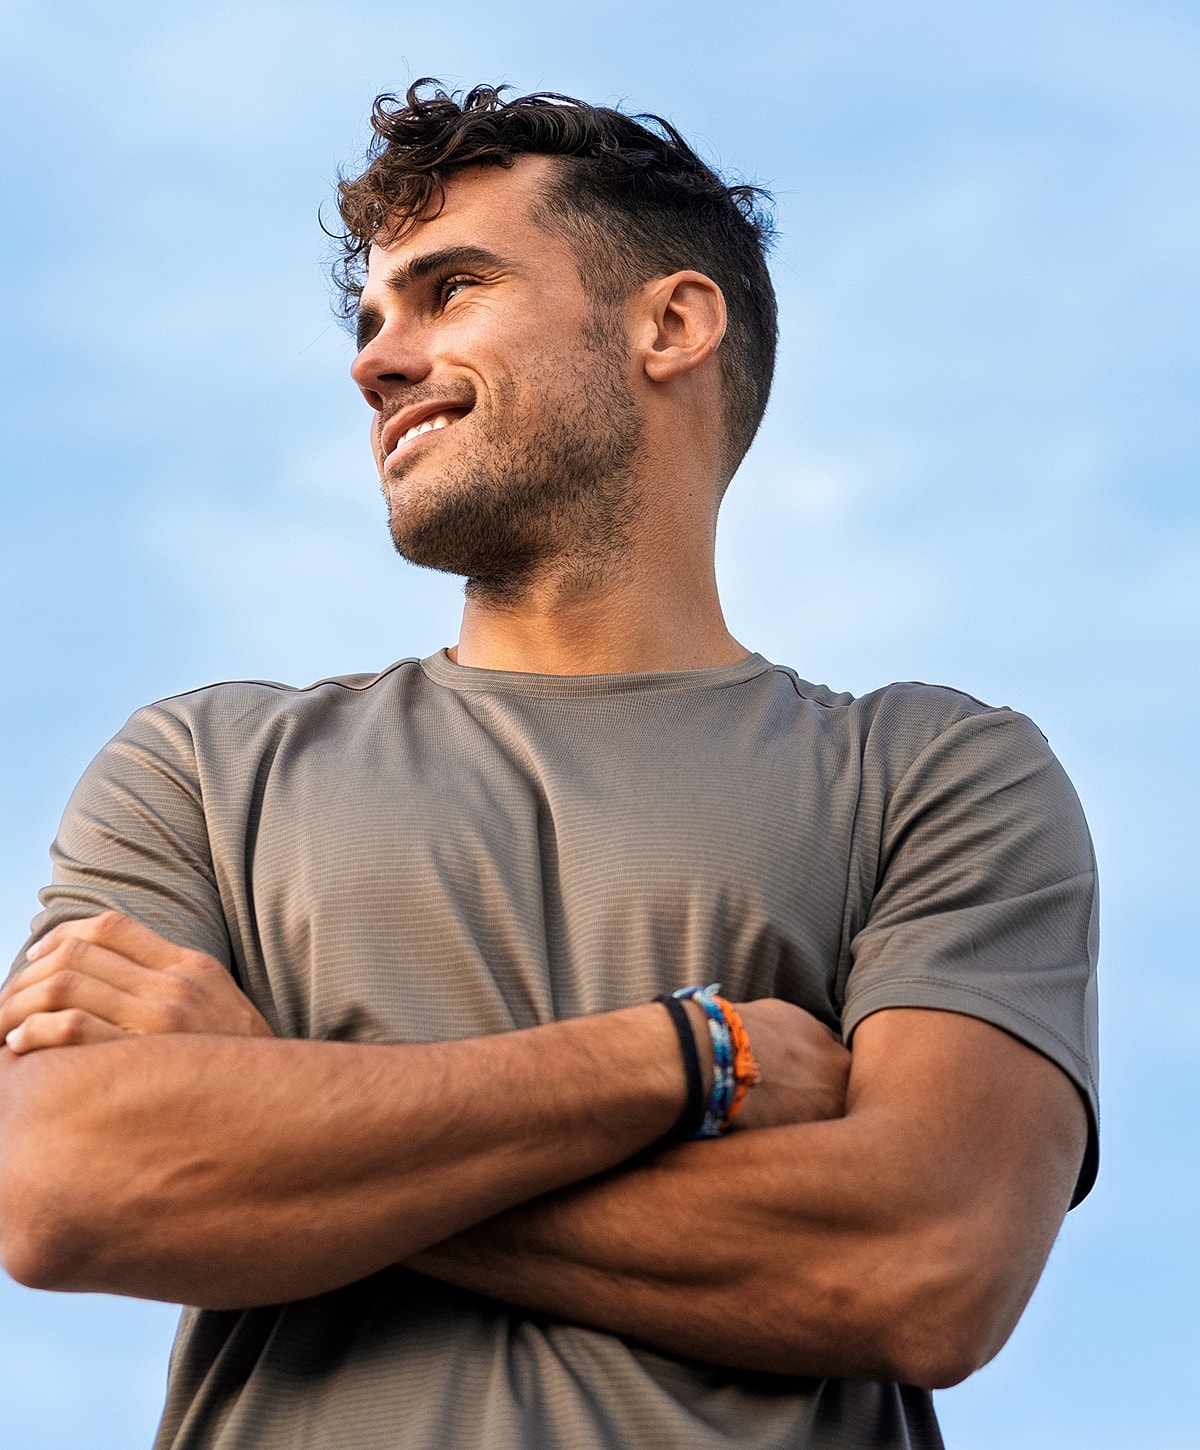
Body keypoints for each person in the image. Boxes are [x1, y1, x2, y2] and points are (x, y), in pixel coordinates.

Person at [0, 81, 1098, 1450]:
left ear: (670, 325)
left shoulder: (933, 771)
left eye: (448, 289)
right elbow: (69, 1185)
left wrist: (282, 1111)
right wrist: (687, 1054)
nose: (375, 361)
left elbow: (924, 1265)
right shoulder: (202, 768)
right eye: (370, 317)